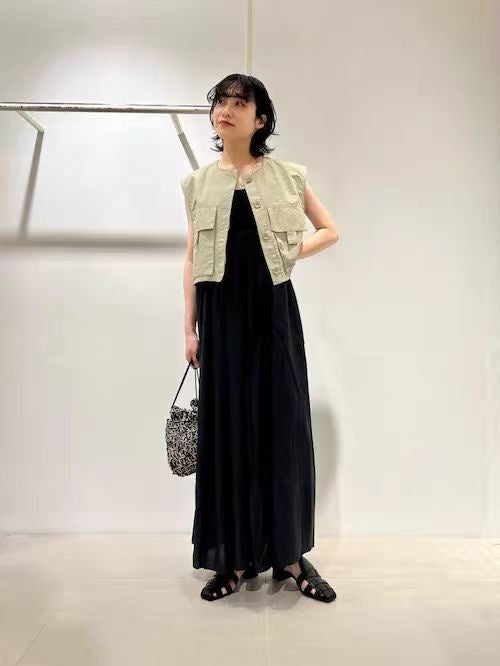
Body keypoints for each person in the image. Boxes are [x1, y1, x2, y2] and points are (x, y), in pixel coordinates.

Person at [181, 73, 339, 603]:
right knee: (227, 431)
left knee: (281, 428)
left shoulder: (288, 177)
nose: (226, 110)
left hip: (272, 315)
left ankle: (290, 557)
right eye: (220, 102)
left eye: (239, 102)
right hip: (221, 318)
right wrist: (189, 327)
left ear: (260, 118)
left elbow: (329, 230)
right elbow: (191, 260)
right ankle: (232, 558)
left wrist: (289, 254)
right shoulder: (197, 183)